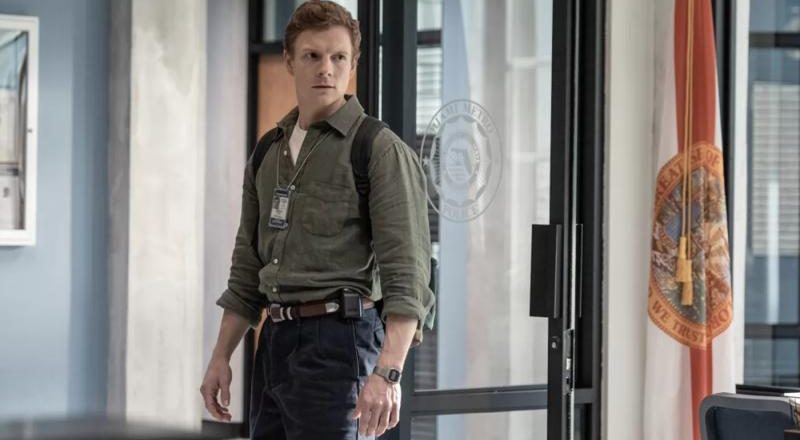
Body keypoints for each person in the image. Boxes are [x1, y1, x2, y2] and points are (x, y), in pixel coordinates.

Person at [199, 1, 435, 439]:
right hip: (274, 341)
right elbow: (247, 268)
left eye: (338, 57)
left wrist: (389, 373)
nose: (326, 68)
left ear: (353, 64)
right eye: (312, 55)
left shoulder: (378, 149)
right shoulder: (268, 151)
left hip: (340, 343)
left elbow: (408, 274)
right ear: (290, 61)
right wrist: (220, 356)